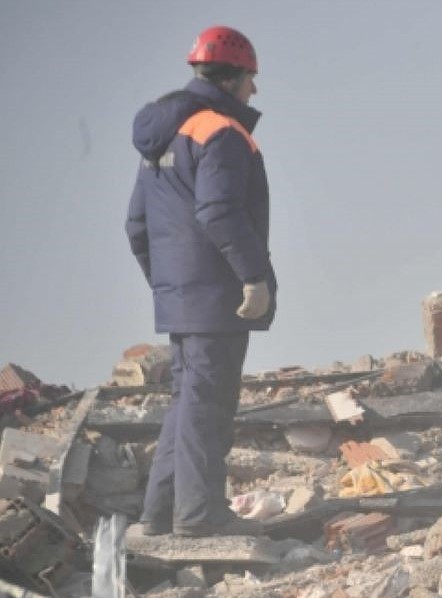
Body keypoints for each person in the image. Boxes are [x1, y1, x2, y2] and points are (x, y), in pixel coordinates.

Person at [125, 26, 277, 537]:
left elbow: (137, 226)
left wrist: (166, 285)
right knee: (208, 405)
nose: (254, 91)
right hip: (217, 293)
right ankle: (200, 517)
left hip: (181, 295)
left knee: (186, 402)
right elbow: (218, 211)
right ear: (232, 78)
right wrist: (253, 276)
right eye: (251, 80)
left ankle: (158, 516)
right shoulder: (221, 132)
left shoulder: (164, 136)